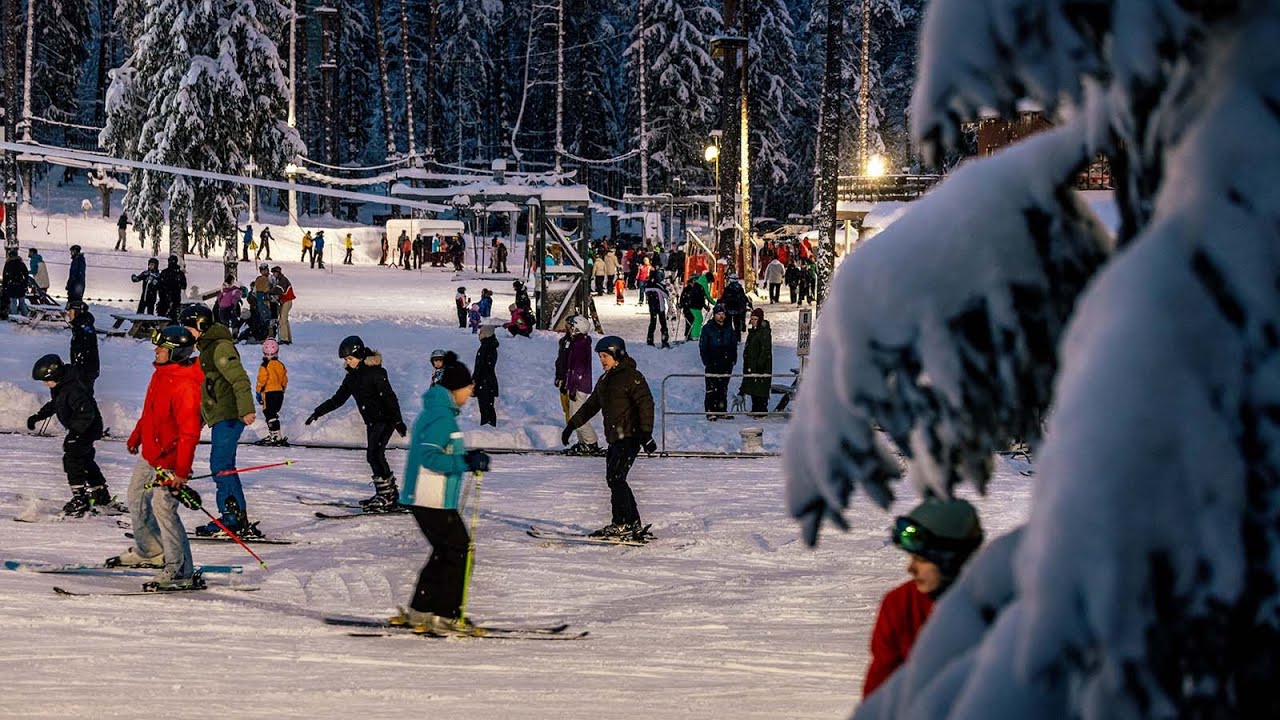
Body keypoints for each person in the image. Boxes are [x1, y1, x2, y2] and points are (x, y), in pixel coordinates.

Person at [389, 354, 490, 635]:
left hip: (429, 496)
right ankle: (445, 615)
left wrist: (468, 457)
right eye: (468, 388)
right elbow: (430, 457)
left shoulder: (437, 412)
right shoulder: (441, 416)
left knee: (446, 551)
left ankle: (420, 611)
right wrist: (466, 463)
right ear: (455, 388)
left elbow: (441, 451)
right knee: (459, 551)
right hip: (430, 496)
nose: (470, 393)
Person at [108, 325, 204, 590]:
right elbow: (151, 412)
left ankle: (180, 570)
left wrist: (181, 472)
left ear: (176, 353)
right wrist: (137, 435)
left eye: (161, 348)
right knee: (135, 496)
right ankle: (149, 549)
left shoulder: (186, 385)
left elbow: (189, 433)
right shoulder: (161, 373)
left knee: (165, 511)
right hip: (150, 453)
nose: (156, 351)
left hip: (170, 462)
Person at [864, 498, 984, 697]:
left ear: (951, 560)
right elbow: (878, 693)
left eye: (920, 559)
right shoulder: (899, 605)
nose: (910, 568)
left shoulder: (998, 606)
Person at [560, 336, 655, 539]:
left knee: (617, 478)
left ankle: (626, 522)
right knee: (614, 480)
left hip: (630, 436)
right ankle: (625, 521)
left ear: (617, 354)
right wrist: (572, 425)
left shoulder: (631, 376)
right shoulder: (605, 379)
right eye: (600, 356)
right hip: (614, 437)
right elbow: (591, 406)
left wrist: (646, 434)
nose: (602, 360)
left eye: (605, 356)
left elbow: (646, 404)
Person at [179, 303, 259, 537]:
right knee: (223, 466)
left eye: (188, 327)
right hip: (221, 415)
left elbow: (240, 379)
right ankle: (234, 516)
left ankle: (232, 519)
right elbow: (212, 389)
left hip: (231, 415)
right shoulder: (207, 349)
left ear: (201, 326)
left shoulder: (220, 347)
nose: (185, 332)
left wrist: (246, 409)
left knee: (221, 466)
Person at [306, 335, 407, 510]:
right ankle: (386, 494)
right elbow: (338, 399)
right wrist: (318, 412)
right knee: (375, 455)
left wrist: (398, 421)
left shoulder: (376, 373)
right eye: (346, 359)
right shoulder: (351, 378)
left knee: (374, 455)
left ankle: (388, 496)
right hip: (372, 422)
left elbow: (390, 398)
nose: (348, 362)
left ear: (359, 354)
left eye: (350, 358)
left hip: (385, 419)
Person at [27, 354, 116, 517]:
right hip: (83, 428)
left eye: (46, 380)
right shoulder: (62, 387)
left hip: (86, 428)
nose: (45, 384)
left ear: (55, 375)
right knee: (86, 459)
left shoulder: (73, 388)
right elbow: (56, 404)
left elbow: (86, 413)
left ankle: (80, 499)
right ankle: (100, 494)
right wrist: (38, 416)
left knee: (72, 458)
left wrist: (75, 434)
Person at [560, 315, 601, 455]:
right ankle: (583, 441)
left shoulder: (580, 345)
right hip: (577, 384)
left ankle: (590, 441)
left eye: (572, 326)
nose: (570, 329)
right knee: (574, 415)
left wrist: (573, 387)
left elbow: (577, 369)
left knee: (577, 415)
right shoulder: (578, 343)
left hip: (579, 386)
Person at [699, 304, 739, 420]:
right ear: (714, 315)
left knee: (723, 387)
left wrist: (733, 358)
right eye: (718, 314)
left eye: (723, 314)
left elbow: (733, 344)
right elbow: (703, 346)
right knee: (711, 388)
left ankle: (721, 410)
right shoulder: (708, 328)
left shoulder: (728, 327)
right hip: (713, 361)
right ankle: (711, 411)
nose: (721, 317)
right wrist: (707, 360)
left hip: (726, 362)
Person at [255, 338, 289, 446]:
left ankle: (275, 435)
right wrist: (282, 389)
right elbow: (284, 379)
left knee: (269, 413)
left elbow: (262, 380)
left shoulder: (264, 366)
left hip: (268, 393)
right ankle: (276, 434)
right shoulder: (280, 365)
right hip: (279, 393)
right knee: (273, 413)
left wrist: (258, 392)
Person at [739, 309, 773, 415]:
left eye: (755, 319)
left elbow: (765, 349)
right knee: (755, 387)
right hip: (753, 364)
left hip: (760, 366)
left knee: (760, 388)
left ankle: (761, 410)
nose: (753, 321)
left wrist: (760, 363)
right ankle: (756, 409)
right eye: (752, 319)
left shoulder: (763, 332)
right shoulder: (754, 331)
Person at [66, 300, 101, 395]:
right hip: (81, 369)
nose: (68, 314)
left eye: (71, 312)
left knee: (84, 396)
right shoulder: (78, 326)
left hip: (86, 370)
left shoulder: (84, 328)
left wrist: (79, 369)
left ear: (77, 312)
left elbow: (86, 348)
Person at [473, 328, 500, 426]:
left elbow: (480, 367)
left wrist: (475, 380)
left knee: (486, 407)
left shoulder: (486, 347)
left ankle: (488, 428)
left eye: (481, 333)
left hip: (485, 382)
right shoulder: (488, 346)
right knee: (487, 406)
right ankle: (488, 426)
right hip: (487, 381)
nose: (479, 335)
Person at [644, 269, 671, 348]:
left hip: (652, 307)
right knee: (663, 325)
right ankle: (664, 341)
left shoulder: (648, 285)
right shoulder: (659, 286)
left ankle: (650, 340)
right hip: (660, 307)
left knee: (652, 324)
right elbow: (666, 295)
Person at [720, 273, 752, 337]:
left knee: (728, 323)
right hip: (738, 309)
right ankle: (738, 337)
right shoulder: (740, 289)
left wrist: (721, 302)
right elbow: (743, 298)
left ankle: (728, 337)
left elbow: (723, 298)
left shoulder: (727, 289)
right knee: (737, 324)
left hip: (728, 308)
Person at [2, 248, 30, 319]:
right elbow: (26, 274)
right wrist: (25, 284)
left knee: (13, 302)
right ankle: (26, 316)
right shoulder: (21, 264)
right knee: (22, 302)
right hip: (21, 285)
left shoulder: (8, 264)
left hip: (12, 286)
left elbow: (5, 276)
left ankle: (15, 317)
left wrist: (4, 286)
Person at [156, 255, 187, 320]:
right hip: (164, 298)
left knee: (173, 315)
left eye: (172, 261)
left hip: (175, 297)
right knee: (162, 316)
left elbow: (184, 285)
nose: (171, 262)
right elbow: (159, 284)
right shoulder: (165, 272)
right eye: (170, 261)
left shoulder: (179, 273)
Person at [679, 275, 707, 341]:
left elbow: (701, 299)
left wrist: (705, 306)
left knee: (697, 321)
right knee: (690, 322)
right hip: (688, 308)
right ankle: (688, 336)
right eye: (694, 280)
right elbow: (683, 299)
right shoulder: (687, 289)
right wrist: (681, 305)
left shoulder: (699, 289)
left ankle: (695, 335)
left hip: (696, 308)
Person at [271, 266, 294, 344]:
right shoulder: (280, 279)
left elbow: (279, 290)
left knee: (282, 320)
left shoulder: (282, 280)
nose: (273, 274)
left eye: (274, 273)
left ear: (278, 272)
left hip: (287, 301)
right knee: (285, 320)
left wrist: (270, 292)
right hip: (285, 301)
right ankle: (288, 338)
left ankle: (284, 339)